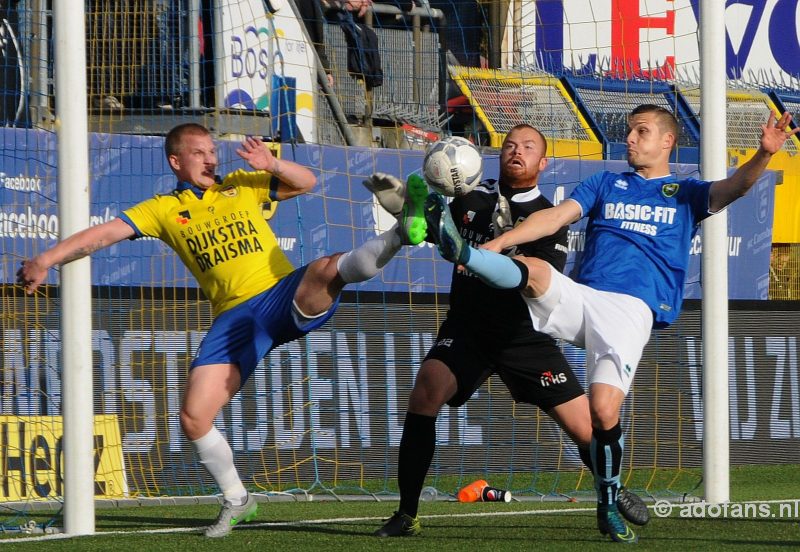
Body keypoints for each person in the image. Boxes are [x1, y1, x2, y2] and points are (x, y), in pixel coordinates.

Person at [16, 122, 428, 538]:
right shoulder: (161, 209)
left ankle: (400, 233)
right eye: (200, 152)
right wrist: (47, 259)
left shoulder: (241, 185)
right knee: (194, 417)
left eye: (213, 151)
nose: (211, 158)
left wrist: (271, 163)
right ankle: (237, 499)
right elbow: (102, 234)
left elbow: (307, 182)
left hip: (281, 293)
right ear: (176, 161)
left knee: (326, 269)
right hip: (234, 319)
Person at [424, 107, 799, 543]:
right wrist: (500, 241)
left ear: (666, 142)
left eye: (642, 132)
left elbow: (736, 186)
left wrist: (763, 155)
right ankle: (464, 253)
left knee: (603, 411)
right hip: (586, 298)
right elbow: (556, 216)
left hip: (630, 310)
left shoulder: (686, 193)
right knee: (535, 270)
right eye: (629, 131)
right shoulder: (604, 183)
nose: (631, 139)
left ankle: (607, 500)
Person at [373, 125, 648, 538]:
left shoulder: (548, 218)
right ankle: (406, 512)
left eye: (528, 147)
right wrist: (402, 207)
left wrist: (495, 251)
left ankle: (611, 490)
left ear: (543, 163)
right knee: (425, 392)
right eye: (509, 145)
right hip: (468, 328)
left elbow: (539, 280)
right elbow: (427, 229)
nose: (516, 151)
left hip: (525, 336)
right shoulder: (468, 197)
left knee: (588, 429)